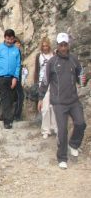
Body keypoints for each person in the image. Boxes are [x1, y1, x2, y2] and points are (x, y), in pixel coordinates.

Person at [38, 33, 87, 169]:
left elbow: (80, 76)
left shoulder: (74, 59)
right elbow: (45, 81)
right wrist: (41, 98)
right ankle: (62, 158)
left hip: (73, 100)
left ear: (68, 45)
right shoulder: (52, 62)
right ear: (58, 46)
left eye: (65, 45)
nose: (64, 48)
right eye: (61, 45)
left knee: (81, 123)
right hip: (58, 102)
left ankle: (74, 144)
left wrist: (82, 79)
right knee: (62, 131)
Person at [0, 29, 21, 129]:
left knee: (11, 98)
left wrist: (15, 77)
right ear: (4, 37)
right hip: (0, 77)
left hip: (12, 77)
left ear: (14, 39)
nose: (9, 41)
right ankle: (7, 121)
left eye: (11, 39)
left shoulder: (16, 50)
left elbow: (18, 65)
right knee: (5, 97)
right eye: (7, 39)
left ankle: (3, 115)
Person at [34, 37, 57, 139]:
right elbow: (37, 70)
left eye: (46, 45)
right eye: (43, 46)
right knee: (45, 107)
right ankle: (45, 130)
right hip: (42, 83)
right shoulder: (39, 56)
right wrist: (36, 84)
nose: (45, 47)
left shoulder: (54, 55)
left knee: (54, 106)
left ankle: (54, 127)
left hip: (53, 82)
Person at [13, 37, 25, 121]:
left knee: (19, 96)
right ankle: (16, 115)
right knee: (20, 95)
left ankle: (16, 115)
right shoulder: (13, 53)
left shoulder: (18, 52)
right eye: (17, 43)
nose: (19, 44)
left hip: (18, 78)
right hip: (14, 78)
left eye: (19, 43)